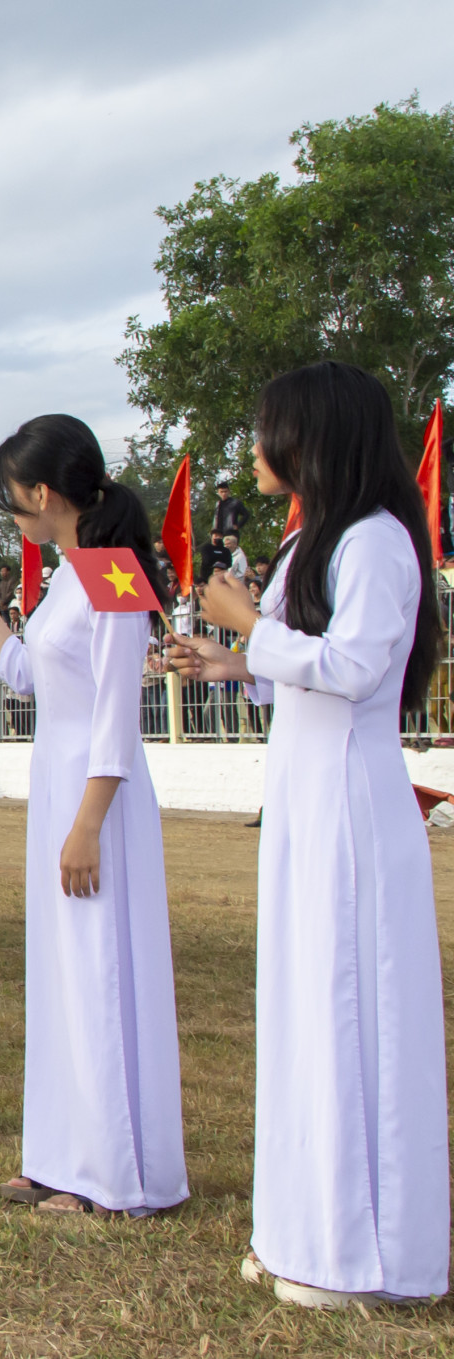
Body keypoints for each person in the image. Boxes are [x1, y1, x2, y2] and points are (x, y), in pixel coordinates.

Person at [167, 362, 447, 1308]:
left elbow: (360, 666)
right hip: (301, 790)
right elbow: (293, 667)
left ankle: (368, 1252)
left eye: (267, 432)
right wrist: (226, 657)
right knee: (301, 1003)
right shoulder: (307, 545)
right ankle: (301, 1225)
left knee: (351, 1003)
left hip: (352, 801)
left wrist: (247, 622)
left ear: (314, 439)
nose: (254, 452)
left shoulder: (375, 541)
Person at [0, 415, 186, 1216]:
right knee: (62, 975)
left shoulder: (114, 575)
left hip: (98, 795)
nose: (11, 515)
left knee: (100, 971)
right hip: (61, 784)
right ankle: (60, 1154)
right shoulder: (68, 577)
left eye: (10, 502)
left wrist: (87, 823)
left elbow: (119, 713)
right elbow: (23, 674)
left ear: (41, 493)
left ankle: (114, 1176)